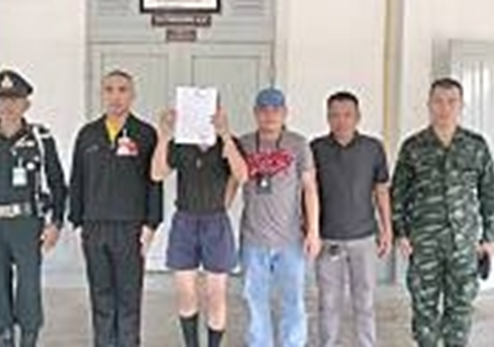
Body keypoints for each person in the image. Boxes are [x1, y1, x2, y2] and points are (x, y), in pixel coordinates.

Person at [391, 77, 494, 347]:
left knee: (461, 306)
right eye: (438, 101)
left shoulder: (475, 145)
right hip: (424, 242)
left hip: (464, 242)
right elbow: (398, 194)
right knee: (424, 306)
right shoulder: (413, 146)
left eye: (451, 101)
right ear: (429, 105)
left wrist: (490, 237)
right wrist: (401, 233)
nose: (445, 108)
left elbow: (490, 194)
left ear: (461, 105)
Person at [0, 69, 67, 347]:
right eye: (2, 99)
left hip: (27, 224)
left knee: (29, 285)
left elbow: (58, 183)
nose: (8, 105)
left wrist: (56, 223)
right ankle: (4, 337)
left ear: (26, 104)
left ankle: (29, 337)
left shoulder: (41, 138)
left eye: (15, 99)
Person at [68, 70, 163, 347]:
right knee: (101, 296)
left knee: (129, 298)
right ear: (102, 94)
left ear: (132, 95)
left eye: (122, 90)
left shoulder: (145, 134)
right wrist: (77, 222)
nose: (115, 96)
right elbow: (77, 179)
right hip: (94, 227)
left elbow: (154, 181)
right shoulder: (88, 134)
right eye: (109, 89)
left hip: (130, 228)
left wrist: (151, 224)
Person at [150, 105, 248, 347]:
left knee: (216, 295)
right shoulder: (181, 143)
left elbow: (242, 176)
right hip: (185, 220)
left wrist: (225, 135)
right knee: (186, 293)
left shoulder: (229, 142)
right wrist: (163, 136)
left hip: (216, 222)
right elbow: (157, 174)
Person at [238, 87, 322, 347]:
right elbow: (230, 182)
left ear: (285, 113)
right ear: (255, 113)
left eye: (276, 109)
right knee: (255, 302)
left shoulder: (298, 144)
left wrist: (313, 231)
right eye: (263, 109)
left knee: (293, 301)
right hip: (253, 239)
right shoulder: (243, 144)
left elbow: (310, 189)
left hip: (290, 240)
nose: (270, 115)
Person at [310, 91, 392, 347]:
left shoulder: (373, 148)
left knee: (364, 301)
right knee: (328, 302)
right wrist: (309, 230)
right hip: (328, 238)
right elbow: (308, 192)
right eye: (334, 115)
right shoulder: (316, 149)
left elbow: (381, 190)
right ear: (327, 117)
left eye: (347, 115)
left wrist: (387, 229)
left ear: (358, 117)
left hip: (364, 238)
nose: (341, 121)